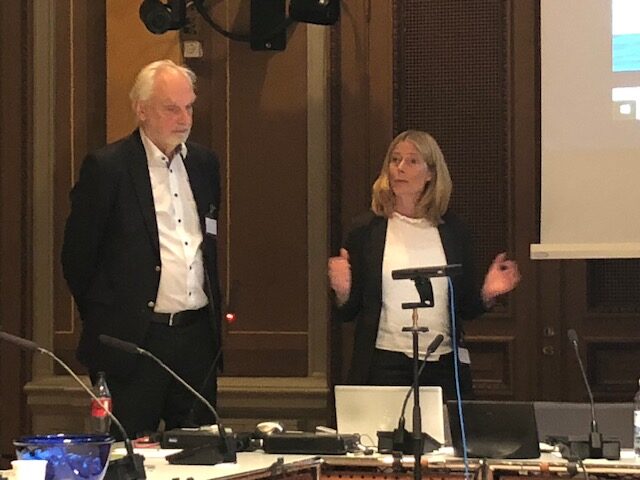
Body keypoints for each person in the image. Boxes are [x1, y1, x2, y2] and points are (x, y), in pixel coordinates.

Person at [62, 59, 222, 438]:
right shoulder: (108, 167)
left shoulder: (204, 164)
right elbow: (77, 259)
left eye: (189, 107)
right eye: (171, 108)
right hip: (133, 343)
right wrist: (110, 320)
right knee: (129, 454)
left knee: (201, 452)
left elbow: (208, 243)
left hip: (196, 340)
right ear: (142, 110)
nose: (184, 119)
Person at [328, 130, 520, 399]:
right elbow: (349, 313)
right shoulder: (366, 230)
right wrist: (343, 292)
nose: (400, 168)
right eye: (395, 160)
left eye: (412, 161)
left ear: (431, 173)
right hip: (384, 361)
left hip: (441, 362)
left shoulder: (453, 231)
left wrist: (487, 293)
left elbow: (465, 308)